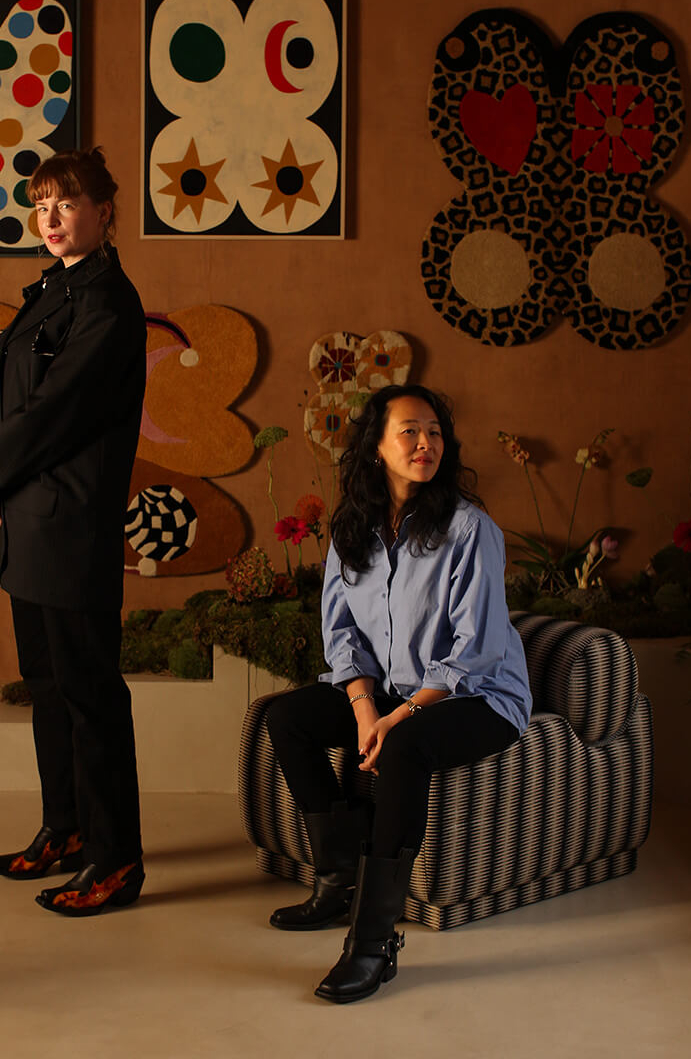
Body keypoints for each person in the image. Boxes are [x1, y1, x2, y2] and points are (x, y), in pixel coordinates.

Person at [265, 383, 532, 1002]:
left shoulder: (470, 529)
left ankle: (373, 943)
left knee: (405, 746)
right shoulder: (353, 529)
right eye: (409, 431)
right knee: (288, 717)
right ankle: (337, 883)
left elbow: (476, 650)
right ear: (376, 447)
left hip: (478, 698)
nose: (425, 443)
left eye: (434, 432)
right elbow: (341, 634)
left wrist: (398, 717)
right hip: (390, 689)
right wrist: (365, 708)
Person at [0, 147, 147, 917]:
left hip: (71, 524)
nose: (51, 219)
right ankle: (65, 828)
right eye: (40, 206)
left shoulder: (108, 305)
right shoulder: (48, 293)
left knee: (90, 694)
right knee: (48, 687)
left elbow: (52, 414)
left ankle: (115, 860)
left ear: (103, 212)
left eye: (66, 204)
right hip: (26, 523)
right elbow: (1, 402)